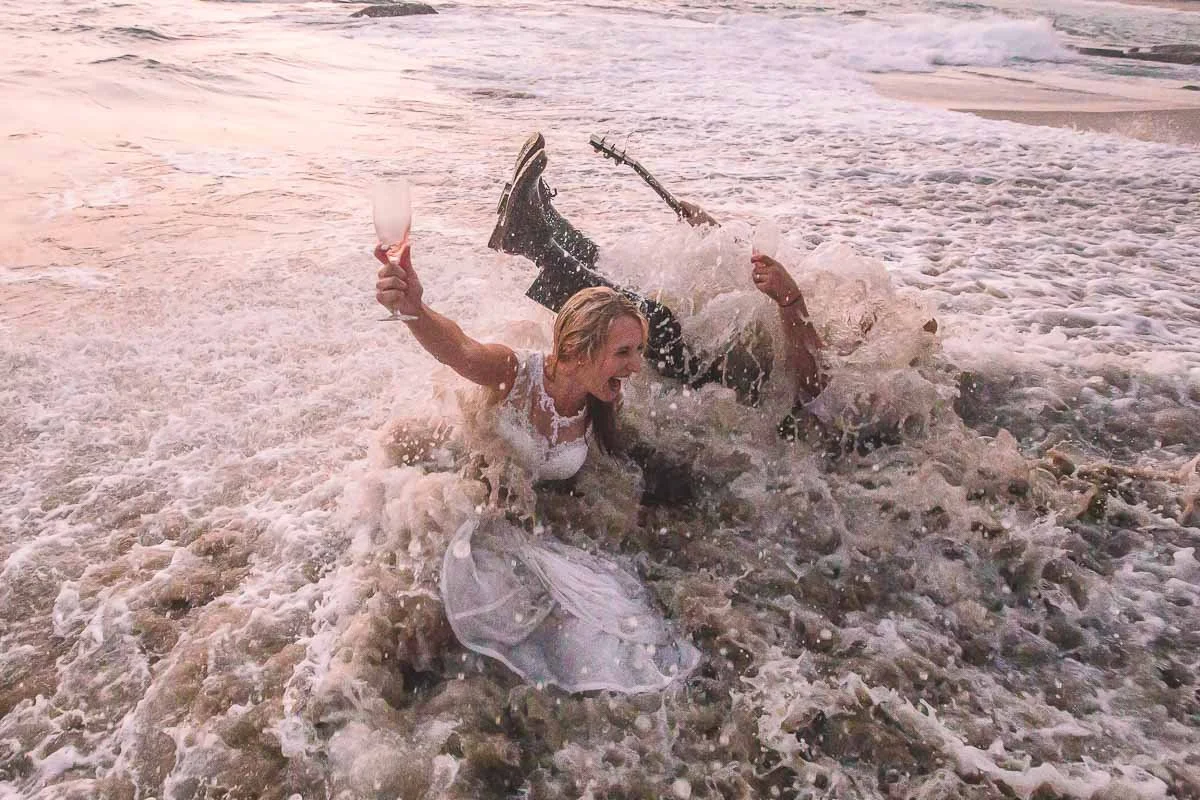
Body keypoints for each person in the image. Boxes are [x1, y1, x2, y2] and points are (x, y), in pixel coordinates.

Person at [373, 245, 701, 693]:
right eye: (624, 351)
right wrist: (415, 310)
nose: (637, 365)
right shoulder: (515, 372)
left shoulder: (601, 401)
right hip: (460, 490)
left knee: (609, 624)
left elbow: (608, 470)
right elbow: (459, 349)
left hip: (525, 520)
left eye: (639, 350)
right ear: (576, 351)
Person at [486, 132, 826, 408]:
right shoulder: (858, 326)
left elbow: (815, 393)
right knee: (630, 275)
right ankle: (543, 225)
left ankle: (534, 242)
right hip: (729, 353)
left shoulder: (866, 384)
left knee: (657, 322)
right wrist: (711, 231)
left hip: (740, 393)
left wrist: (789, 299)